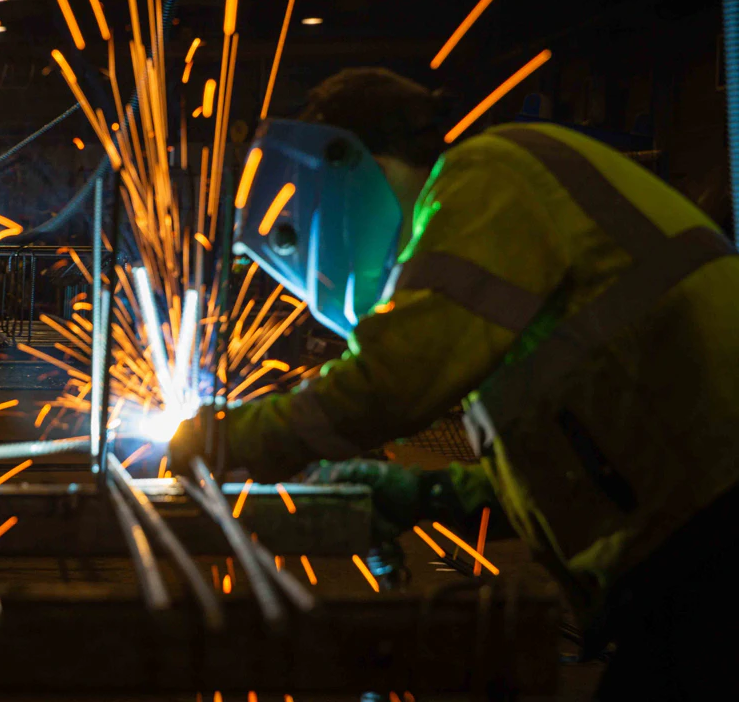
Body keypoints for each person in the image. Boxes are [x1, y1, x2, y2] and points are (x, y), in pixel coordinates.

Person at [169, 68, 739, 699]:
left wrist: (231, 437)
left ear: (344, 170)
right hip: (690, 545)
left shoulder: (486, 178)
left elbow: (392, 380)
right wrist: (431, 494)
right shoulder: (487, 244)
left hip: (717, 541)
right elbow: (581, 453)